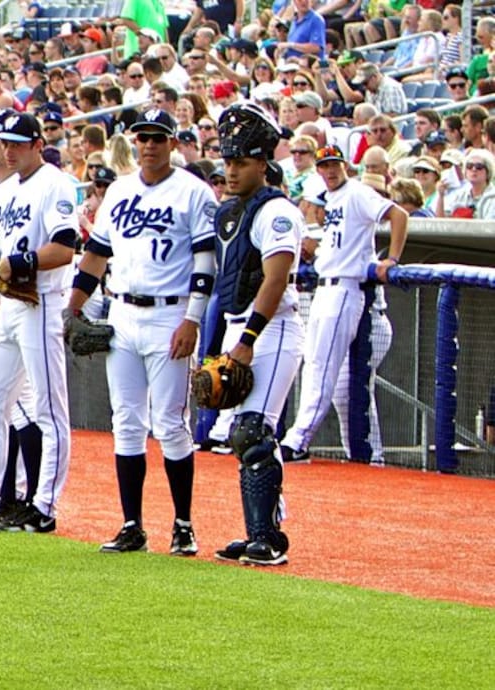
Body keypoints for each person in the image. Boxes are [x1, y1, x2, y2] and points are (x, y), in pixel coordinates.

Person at [66, 108, 216, 554]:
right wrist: (71, 308)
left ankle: (183, 523)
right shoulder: (119, 190)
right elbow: (96, 253)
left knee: (170, 422)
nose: (149, 145)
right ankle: (132, 524)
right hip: (123, 313)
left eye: (157, 137)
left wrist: (193, 318)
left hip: (171, 315)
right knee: (127, 422)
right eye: (143, 137)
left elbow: (206, 261)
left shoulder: (193, 191)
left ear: (172, 143)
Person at [0, 113, 78, 532]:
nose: (8, 150)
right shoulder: (10, 189)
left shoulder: (56, 184)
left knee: (48, 407)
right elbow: (3, 262)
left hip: (40, 302)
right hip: (8, 303)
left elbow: (65, 248)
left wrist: (17, 263)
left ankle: (44, 505)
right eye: (4, 143)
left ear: (37, 144)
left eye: (18, 143)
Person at [211, 102, 307, 566]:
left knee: (253, 431)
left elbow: (275, 278)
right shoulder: (228, 212)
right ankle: (259, 531)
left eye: (241, 162)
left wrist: (247, 340)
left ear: (263, 164)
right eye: (228, 161)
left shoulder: (277, 211)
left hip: (273, 329)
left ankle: (267, 538)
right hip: (238, 328)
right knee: (242, 434)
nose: (231, 170)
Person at [280, 144, 407, 464]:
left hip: (346, 290)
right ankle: (366, 454)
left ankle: (298, 438)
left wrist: (392, 258)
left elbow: (398, 214)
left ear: (345, 166)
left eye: (335, 164)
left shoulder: (357, 192)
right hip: (325, 289)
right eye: (324, 166)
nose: (330, 170)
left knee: (322, 368)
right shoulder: (331, 199)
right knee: (328, 377)